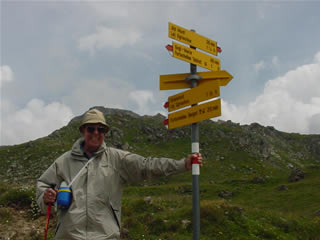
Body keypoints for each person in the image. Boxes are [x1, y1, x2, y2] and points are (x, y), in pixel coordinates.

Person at [36, 108, 203, 240]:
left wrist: (182, 164)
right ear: (82, 131)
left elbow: (148, 166)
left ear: (105, 132)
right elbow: (43, 185)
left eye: (101, 129)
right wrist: (45, 197)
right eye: (91, 128)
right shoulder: (64, 161)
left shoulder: (117, 159)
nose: (96, 133)